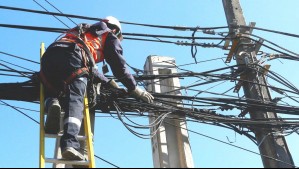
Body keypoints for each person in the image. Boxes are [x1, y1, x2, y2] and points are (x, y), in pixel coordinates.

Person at [40, 16, 154, 161]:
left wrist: (107, 82)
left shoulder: (84, 31)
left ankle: (52, 104)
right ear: (115, 29)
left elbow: (90, 67)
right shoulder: (109, 35)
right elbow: (119, 66)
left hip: (49, 56)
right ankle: (69, 144)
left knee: (53, 88)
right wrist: (134, 88)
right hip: (74, 57)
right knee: (75, 99)